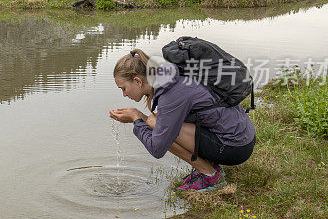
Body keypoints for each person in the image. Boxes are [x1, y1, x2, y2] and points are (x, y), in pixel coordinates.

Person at [108, 49, 256, 192]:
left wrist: (136, 120)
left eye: (124, 88)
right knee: (156, 122)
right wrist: (141, 117)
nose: (124, 94)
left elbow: (157, 148)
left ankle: (210, 175)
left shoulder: (171, 93)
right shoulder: (171, 77)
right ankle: (211, 165)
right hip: (240, 136)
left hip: (235, 147)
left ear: (138, 81)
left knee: (156, 125)